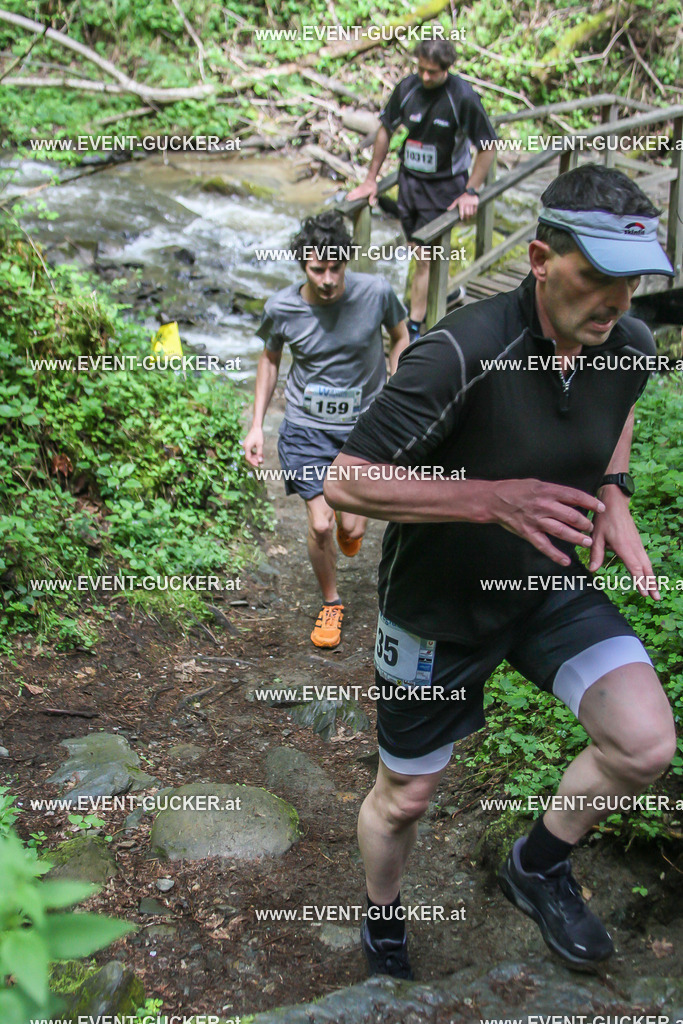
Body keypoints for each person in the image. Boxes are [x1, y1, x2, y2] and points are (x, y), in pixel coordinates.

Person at [324, 163, 676, 977]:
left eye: (633, 283)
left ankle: (537, 865)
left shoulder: (626, 344)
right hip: (438, 608)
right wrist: (487, 499)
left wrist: (614, 491)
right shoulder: (461, 350)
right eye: (596, 279)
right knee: (405, 797)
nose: (617, 304)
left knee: (644, 742)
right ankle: (382, 921)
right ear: (542, 259)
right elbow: (345, 477)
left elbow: (613, 410)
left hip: (545, 584)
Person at [243, 211, 409, 649]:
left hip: (365, 429)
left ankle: (347, 529)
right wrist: (256, 426)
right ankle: (331, 603)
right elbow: (270, 359)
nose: (329, 279)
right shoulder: (282, 308)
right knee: (320, 524)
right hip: (306, 429)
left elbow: (401, 335)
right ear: (302, 264)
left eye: (336, 267)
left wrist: (399, 386)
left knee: (352, 530)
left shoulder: (376, 293)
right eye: (319, 269)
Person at [346, 38, 497, 342]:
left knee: (426, 257)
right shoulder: (407, 88)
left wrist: (471, 191)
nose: (426, 77)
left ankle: (414, 326)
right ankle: (445, 292)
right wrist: (371, 178)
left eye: (433, 72)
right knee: (418, 251)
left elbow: (488, 145)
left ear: (447, 69)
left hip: (444, 186)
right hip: (410, 183)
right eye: (421, 69)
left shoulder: (462, 97)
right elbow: (386, 129)